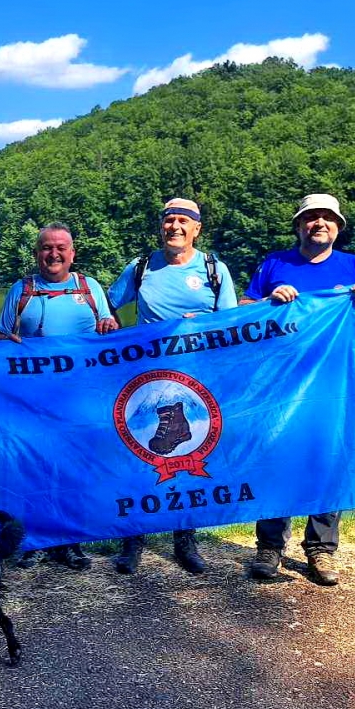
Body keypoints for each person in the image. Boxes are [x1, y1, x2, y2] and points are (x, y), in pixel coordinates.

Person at [240, 193, 355, 586]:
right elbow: (244, 312)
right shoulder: (275, 264)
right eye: (310, 218)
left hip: (334, 384)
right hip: (279, 384)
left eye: (327, 218)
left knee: (328, 459)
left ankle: (321, 549)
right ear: (299, 225)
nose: (318, 223)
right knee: (278, 459)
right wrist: (271, 301)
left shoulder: (353, 265)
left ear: (338, 227)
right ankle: (269, 548)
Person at [107, 198, 237, 575]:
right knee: (140, 453)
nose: (175, 227)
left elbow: (230, 324)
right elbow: (107, 307)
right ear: (161, 226)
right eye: (169, 221)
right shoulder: (141, 267)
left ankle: (186, 540)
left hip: (196, 381)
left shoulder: (214, 269)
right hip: (145, 380)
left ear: (197, 228)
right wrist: (110, 331)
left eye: (183, 221)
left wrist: (204, 323)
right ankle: (133, 541)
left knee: (190, 454)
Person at [0, 222, 118, 570]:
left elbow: (109, 332)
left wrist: (110, 328)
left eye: (61, 247)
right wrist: (9, 345)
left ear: (72, 253)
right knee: (32, 470)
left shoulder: (90, 287)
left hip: (80, 402)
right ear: (37, 254)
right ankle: (30, 540)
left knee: (73, 472)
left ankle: (69, 543)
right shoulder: (21, 290)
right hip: (31, 403)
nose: (54, 254)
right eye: (47, 247)